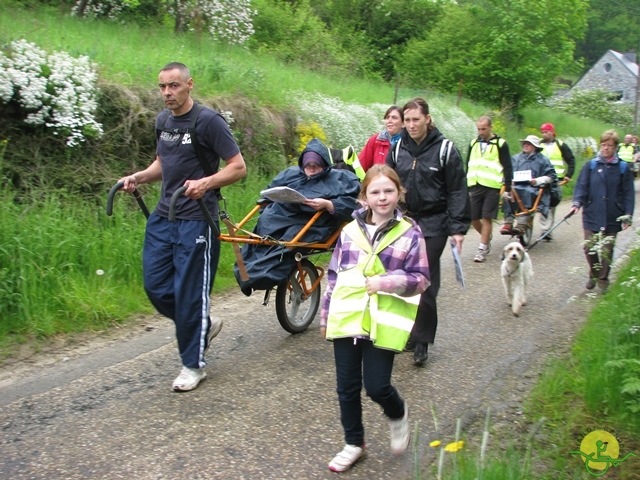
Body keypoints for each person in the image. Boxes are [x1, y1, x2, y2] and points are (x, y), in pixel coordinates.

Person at [119, 62, 247, 392]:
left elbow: (237, 168)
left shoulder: (208, 121)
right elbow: (163, 163)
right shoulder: (163, 121)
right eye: (162, 87)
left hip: (197, 219)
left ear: (189, 85)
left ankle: (193, 365)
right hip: (165, 215)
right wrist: (138, 177)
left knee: (189, 294)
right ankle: (202, 324)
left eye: (174, 86)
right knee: (156, 286)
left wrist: (206, 183)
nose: (167, 93)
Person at [320, 164, 430, 473]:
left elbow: (421, 279)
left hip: (384, 320)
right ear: (364, 197)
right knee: (346, 387)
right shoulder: (349, 232)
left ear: (399, 193)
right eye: (375, 192)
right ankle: (354, 443)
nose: (382, 198)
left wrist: (388, 282)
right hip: (347, 318)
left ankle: (397, 413)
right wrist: (325, 317)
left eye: (389, 191)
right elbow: (333, 277)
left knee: (378, 386)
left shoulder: (410, 232)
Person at [386, 97, 470, 364]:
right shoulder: (398, 150)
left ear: (427, 119)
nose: (411, 125)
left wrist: (458, 228)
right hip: (404, 222)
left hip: (435, 224)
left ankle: (422, 341)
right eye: (407, 120)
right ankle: (409, 332)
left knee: (424, 281)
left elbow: (457, 190)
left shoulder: (445, 150)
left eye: (415, 120)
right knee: (400, 278)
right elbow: (386, 183)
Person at [234, 138, 361, 294]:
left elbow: (354, 204)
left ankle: (259, 276)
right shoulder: (291, 174)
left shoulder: (341, 178)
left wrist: (328, 205)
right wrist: (271, 200)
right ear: (302, 164)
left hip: (315, 222)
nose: (312, 169)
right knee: (264, 226)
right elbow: (270, 192)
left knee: (287, 242)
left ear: (325, 164)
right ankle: (246, 274)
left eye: (316, 165)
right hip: (282, 215)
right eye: (308, 165)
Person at [569, 129, 635, 293]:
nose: (606, 148)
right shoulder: (591, 165)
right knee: (589, 247)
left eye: (610, 145)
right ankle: (594, 272)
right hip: (592, 211)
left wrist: (627, 216)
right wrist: (577, 202)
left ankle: (603, 279)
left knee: (607, 249)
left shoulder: (622, 168)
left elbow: (628, 193)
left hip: (614, 213)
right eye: (604, 145)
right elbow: (582, 186)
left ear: (615, 147)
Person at [466, 115, 512, 262]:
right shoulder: (473, 143)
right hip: (475, 184)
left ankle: (482, 248)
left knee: (487, 217)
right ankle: (486, 237)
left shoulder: (500, 144)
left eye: (484, 129)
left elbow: (508, 167)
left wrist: (508, 189)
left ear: (491, 127)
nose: (481, 132)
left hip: (492, 186)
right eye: (479, 129)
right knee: (473, 218)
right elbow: (468, 163)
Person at [500, 135, 557, 236]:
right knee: (507, 193)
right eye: (525, 143)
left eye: (529, 144)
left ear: (535, 146)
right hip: (515, 186)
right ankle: (508, 222)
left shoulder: (543, 160)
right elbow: (507, 172)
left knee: (527, 192)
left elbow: (551, 176)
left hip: (533, 188)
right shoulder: (515, 158)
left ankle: (522, 222)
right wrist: (508, 180)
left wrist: (537, 181)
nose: (525, 145)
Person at [539, 123, 576, 239]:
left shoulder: (561, 145)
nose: (544, 134)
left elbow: (570, 160)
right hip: (540, 178)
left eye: (546, 132)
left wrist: (568, 175)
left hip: (555, 180)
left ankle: (546, 230)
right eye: (543, 132)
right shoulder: (538, 145)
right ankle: (543, 228)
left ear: (552, 132)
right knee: (539, 204)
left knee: (550, 205)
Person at [358, 106, 404, 172]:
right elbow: (361, 166)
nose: (389, 120)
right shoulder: (376, 140)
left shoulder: (407, 144)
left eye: (394, 118)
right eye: (387, 117)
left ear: (403, 124)